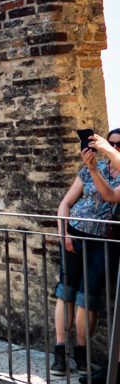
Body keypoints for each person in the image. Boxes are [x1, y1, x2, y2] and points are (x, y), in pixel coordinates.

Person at [52, 129, 120, 377]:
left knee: (87, 297)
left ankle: (81, 353)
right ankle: (60, 352)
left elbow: (109, 196)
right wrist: (64, 233)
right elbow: (66, 202)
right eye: (111, 143)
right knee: (66, 291)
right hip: (74, 232)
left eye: (119, 145)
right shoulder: (94, 166)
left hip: (101, 240)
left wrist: (94, 169)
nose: (115, 148)